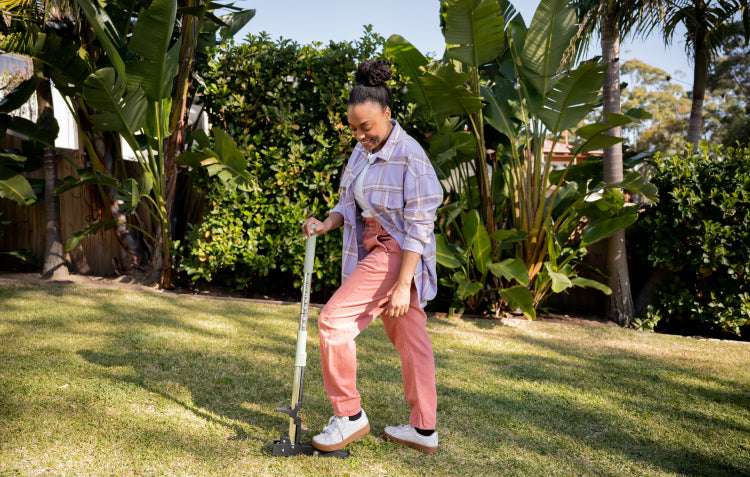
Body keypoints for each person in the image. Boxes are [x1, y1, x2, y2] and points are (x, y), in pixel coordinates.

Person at [301, 59, 443, 454]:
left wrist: (402, 285)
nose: (362, 136)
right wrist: (325, 223)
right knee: (412, 341)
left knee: (333, 323)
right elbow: (349, 203)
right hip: (374, 247)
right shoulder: (361, 154)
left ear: (387, 113)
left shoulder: (410, 155)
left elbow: (419, 226)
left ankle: (349, 416)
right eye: (354, 129)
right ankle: (423, 430)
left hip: (395, 252)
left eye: (367, 127)